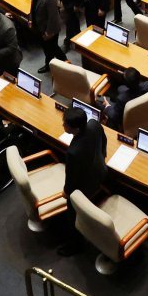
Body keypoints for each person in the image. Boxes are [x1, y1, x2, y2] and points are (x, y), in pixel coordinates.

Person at [57, 103, 106, 256]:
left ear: (75, 129)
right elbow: (103, 141)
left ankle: (74, 244)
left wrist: (67, 192)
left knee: (72, 209)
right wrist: (102, 156)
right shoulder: (94, 124)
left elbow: (71, 179)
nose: (62, 124)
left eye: (65, 123)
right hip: (100, 170)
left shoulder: (73, 152)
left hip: (86, 184)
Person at [26, 0, 66, 72]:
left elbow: (54, 17)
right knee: (48, 48)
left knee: (52, 48)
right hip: (39, 26)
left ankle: (64, 63)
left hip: (49, 30)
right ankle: (55, 63)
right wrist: (31, 19)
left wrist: (49, 33)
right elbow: (33, 6)